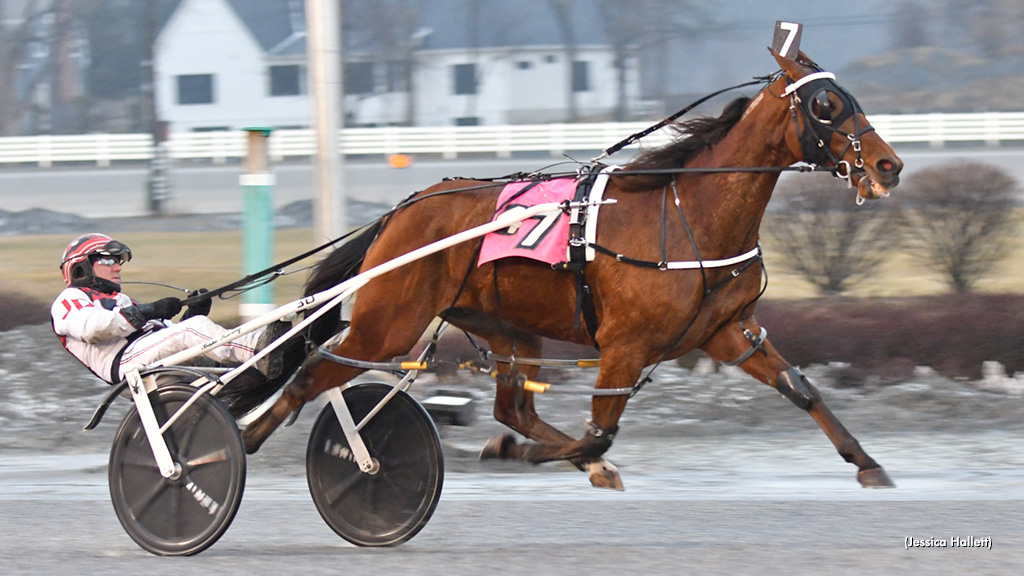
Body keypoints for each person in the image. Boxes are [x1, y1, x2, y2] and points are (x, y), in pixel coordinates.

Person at [51, 233, 287, 385]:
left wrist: (192, 314)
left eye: (118, 262)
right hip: (124, 364)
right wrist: (149, 310)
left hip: (142, 354)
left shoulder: (120, 300)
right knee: (192, 330)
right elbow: (94, 328)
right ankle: (261, 349)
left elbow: (166, 335)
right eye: (109, 261)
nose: (117, 268)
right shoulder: (69, 299)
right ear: (81, 267)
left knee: (194, 328)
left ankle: (267, 356)